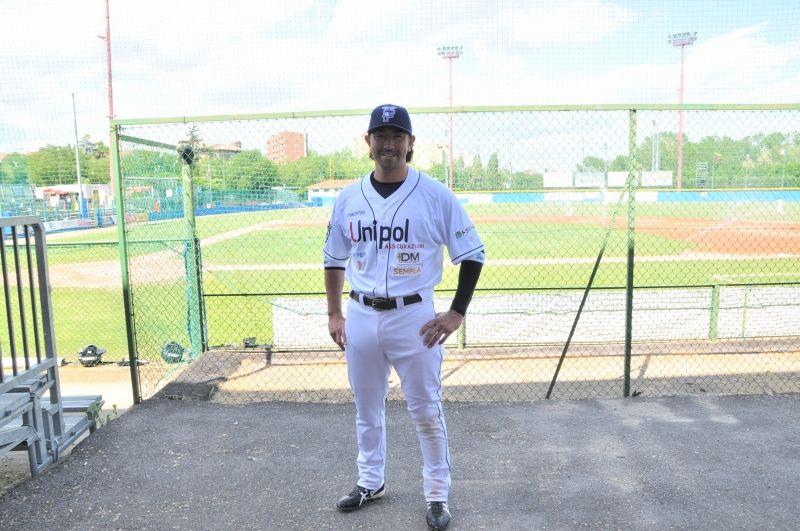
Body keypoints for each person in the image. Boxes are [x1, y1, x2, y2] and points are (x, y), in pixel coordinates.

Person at [323, 104, 484, 530]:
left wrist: (456, 313)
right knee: (366, 408)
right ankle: (370, 481)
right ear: (368, 142)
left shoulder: (435, 195)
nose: (388, 143)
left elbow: (472, 254)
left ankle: (437, 494)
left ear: (411, 143)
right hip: (361, 314)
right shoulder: (349, 197)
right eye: (381, 135)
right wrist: (335, 313)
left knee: (426, 411)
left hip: (414, 317)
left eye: (397, 135)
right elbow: (334, 258)